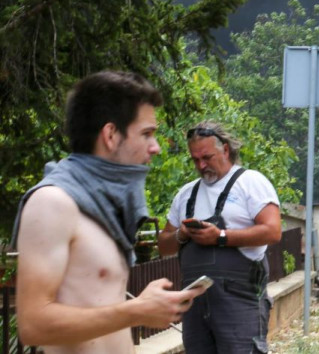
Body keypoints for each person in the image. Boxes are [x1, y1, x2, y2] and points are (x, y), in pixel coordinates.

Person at [13, 71, 207, 352]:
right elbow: (33, 325)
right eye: (147, 134)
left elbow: (93, 304)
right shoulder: (53, 203)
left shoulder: (102, 209)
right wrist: (136, 311)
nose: (156, 148)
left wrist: (139, 306)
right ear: (111, 134)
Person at [157, 121, 282, 353]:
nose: (201, 165)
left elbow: (273, 231)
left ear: (225, 149)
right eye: (195, 160)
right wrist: (182, 234)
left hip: (240, 304)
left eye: (206, 157)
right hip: (195, 309)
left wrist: (221, 237)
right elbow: (163, 246)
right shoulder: (186, 194)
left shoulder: (250, 182)